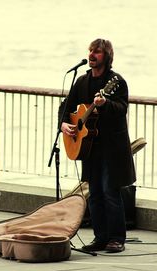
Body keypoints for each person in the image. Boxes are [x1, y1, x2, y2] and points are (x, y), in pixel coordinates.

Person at [58, 38, 136, 253]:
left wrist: (106, 104)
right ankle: (100, 237)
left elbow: (121, 108)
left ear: (107, 56)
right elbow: (66, 106)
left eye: (98, 52)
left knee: (111, 192)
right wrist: (64, 124)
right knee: (95, 193)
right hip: (89, 147)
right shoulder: (82, 81)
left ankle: (117, 239)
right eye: (91, 51)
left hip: (112, 147)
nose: (92, 55)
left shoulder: (116, 82)